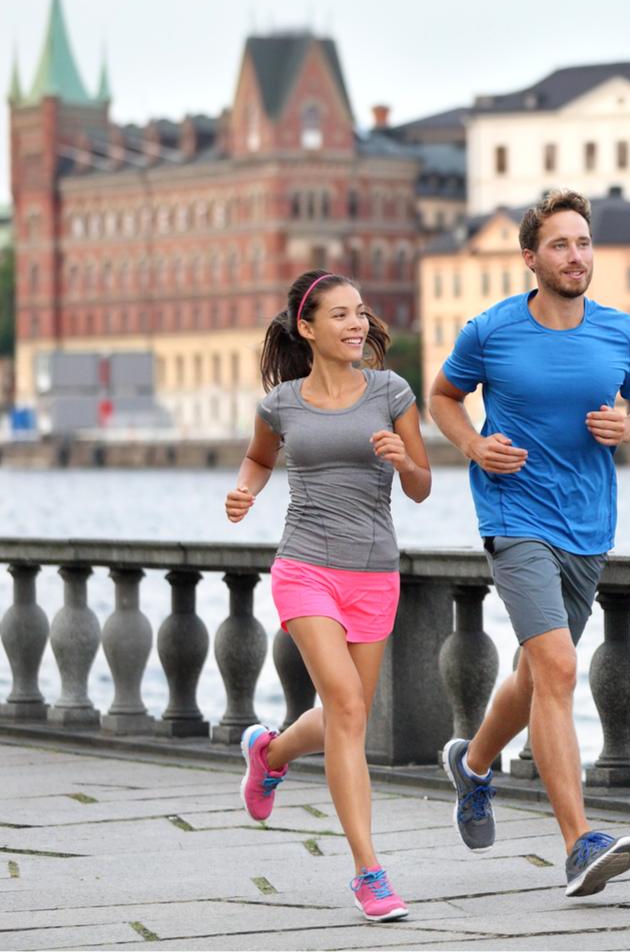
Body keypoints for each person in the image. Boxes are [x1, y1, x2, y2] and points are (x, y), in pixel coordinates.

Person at [427, 189, 630, 898]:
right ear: (531, 258)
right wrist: (473, 443)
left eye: (584, 243)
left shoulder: (621, 332)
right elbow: (442, 396)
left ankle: (472, 767)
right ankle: (578, 843)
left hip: (588, 524)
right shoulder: (490, 330)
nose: (576, 256)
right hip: (515, 517)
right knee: (558, 667)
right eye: (560, 245)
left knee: (536, 674)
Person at [224, 269, 431, 922]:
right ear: (307, 329)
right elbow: (260, 459)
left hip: (374, 573)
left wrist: (403, 461)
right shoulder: (281, 404)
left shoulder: (392, 391)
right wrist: (245, 492)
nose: (356, 324)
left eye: (361, 313)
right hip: (305, 567)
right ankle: (369, 871)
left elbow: (423, 486)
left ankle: (271, 753)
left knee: (350, 715)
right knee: (344, 704)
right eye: (339, 315)